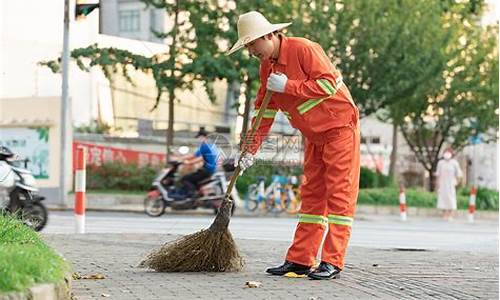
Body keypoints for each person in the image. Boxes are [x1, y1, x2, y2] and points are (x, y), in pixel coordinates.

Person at [228, 11, 360, 280]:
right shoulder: (267, 67)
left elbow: (328, 84)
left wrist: (290, 86)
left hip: (339, 130)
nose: (251, 51)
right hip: (313, 136)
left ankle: (333, 261)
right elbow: (263, 112)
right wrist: (250, 150)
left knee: (338, 196)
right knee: (311, 197)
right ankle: (300, 261)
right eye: (247, 46)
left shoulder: (305, 49)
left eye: (253, 43)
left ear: (269, 35)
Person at [180, 127, 219, 197]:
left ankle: (192, 195)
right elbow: (196, 156)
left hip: (207, 170)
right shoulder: (212, 145)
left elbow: (196, 157)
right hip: (211, 170)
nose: (199, 139)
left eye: (199, 137)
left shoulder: (205, 146)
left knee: (185, 179)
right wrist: (181, 158)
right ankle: (197, 194)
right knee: (194, 179)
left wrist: (187, 162)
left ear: (203, 137)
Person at [435, 148, 463, 221]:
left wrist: (456, 182)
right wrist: (438, 184)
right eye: (445, 152)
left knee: (451, 198)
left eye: (448, 152)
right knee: (442, 198)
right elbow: (438, 174)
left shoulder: (454, 163)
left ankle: (450, 214)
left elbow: (459, 174)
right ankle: (444, 214)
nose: (447, 154)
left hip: (451, 184)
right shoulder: (440, 163)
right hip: (442, 183)